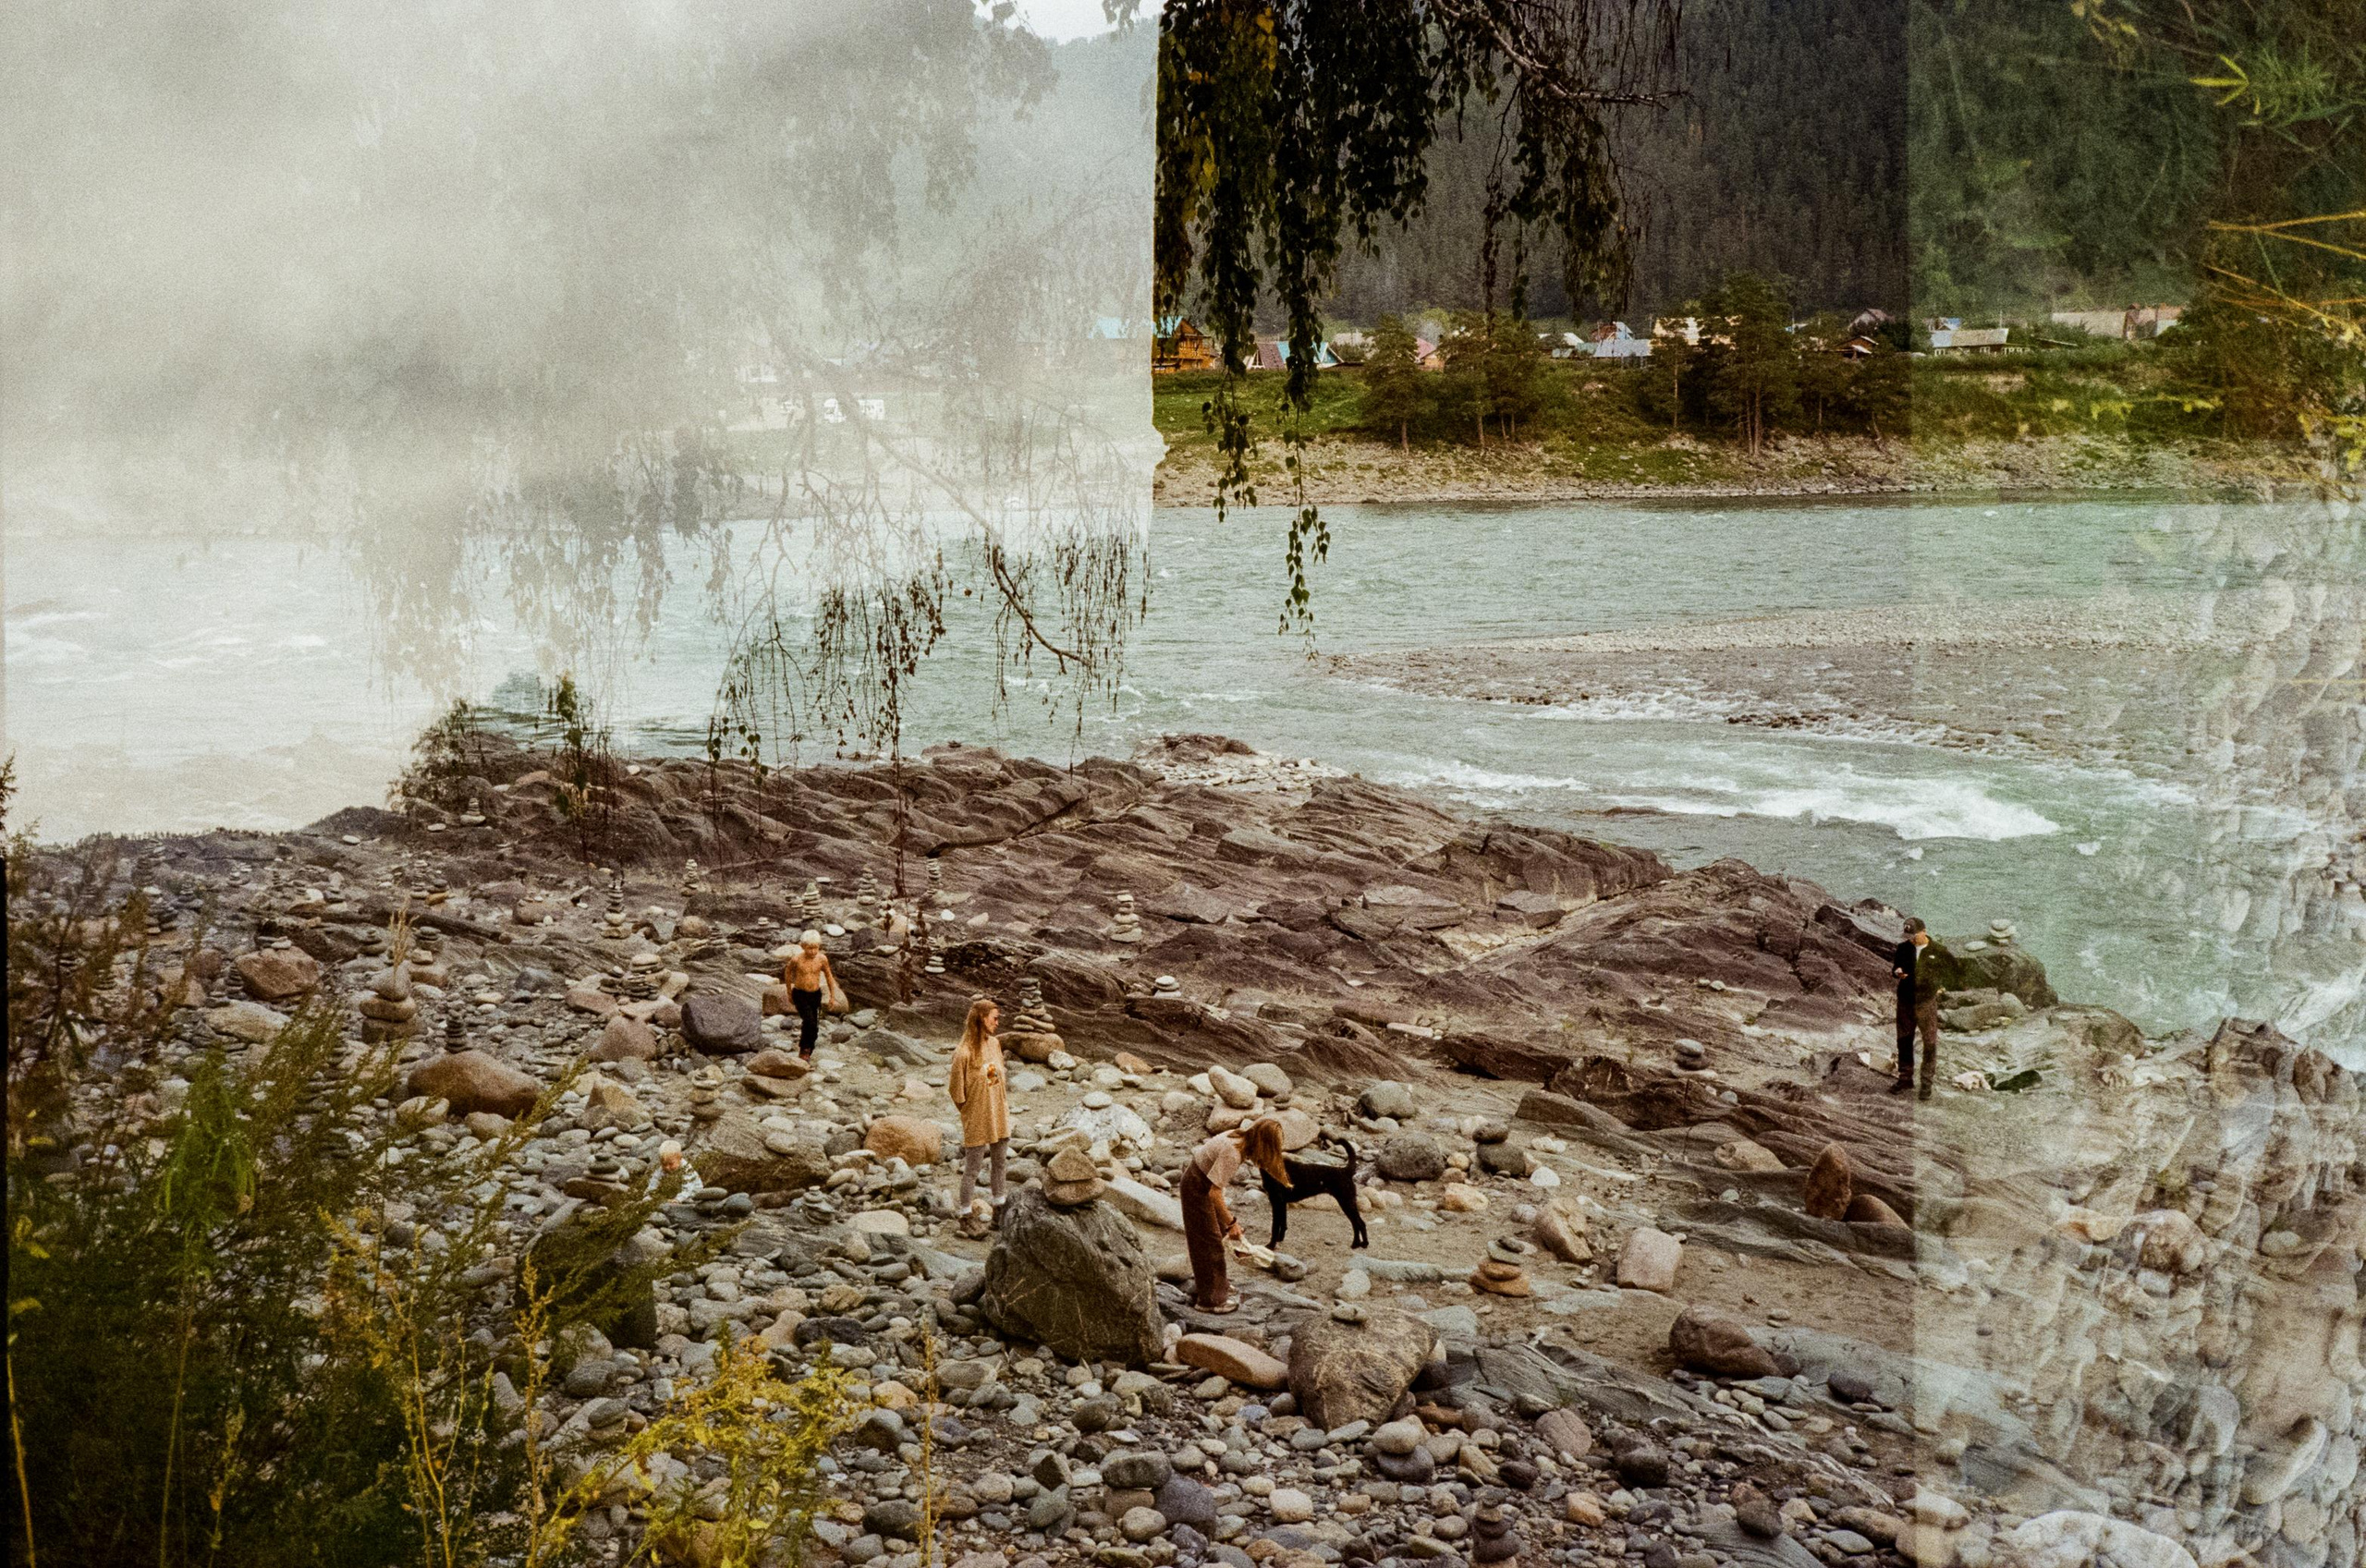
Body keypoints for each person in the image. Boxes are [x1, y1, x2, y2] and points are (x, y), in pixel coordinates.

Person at [1179, 1118, 1288, 1315]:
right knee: (1208, 1241)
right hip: (1196, 1186)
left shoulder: (1241, 1137)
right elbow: (1214, 1192)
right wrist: (1232, 1223)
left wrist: (1227, 1225)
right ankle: (1211, 1300)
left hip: (1200, 1181)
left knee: (1217, 1234)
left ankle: (1216, 1284)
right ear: (1263, 1143)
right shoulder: (1233, 1152)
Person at [947, 996, 1010, 1231]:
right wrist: (970, 1110)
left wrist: (996, 1101)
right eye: (994, 1018)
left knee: (1000, 1163)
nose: (997, 1023)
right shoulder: (963, 1053)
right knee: (973, 1169)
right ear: (982, 1019)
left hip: (999, 1113)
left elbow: (996, 1077)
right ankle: (965, 1215)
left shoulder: (994, 1044)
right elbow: (956, 1091)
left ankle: (999, 1212)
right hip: (977, 1117)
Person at [1891, 917, 1942, 1099]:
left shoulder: (1937, 951)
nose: (1911, 939)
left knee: (1929, 1043)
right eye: (1909, 935)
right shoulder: (1903, 948)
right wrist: (1897, 972)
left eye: (1914, 935)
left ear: (1924, 931)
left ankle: (1926, 1084)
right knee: (1904, 1040)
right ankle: (1905, 1078)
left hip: (1925, 1003)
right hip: (1905, 1001)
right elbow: (1896, 967)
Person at [781, 930, 839, 1060]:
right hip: (800, 994)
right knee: (809, 1021)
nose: (813, 951)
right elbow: (788, 972)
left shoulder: (822, 959)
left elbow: (829, 976)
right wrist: (789, 992)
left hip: (815, 994)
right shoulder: (797, 959)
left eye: (816, 948)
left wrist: (832, 996)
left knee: (814, 1025)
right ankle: (804, 1050)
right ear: (802, 946)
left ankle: (808, 1048)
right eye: (809, 948)